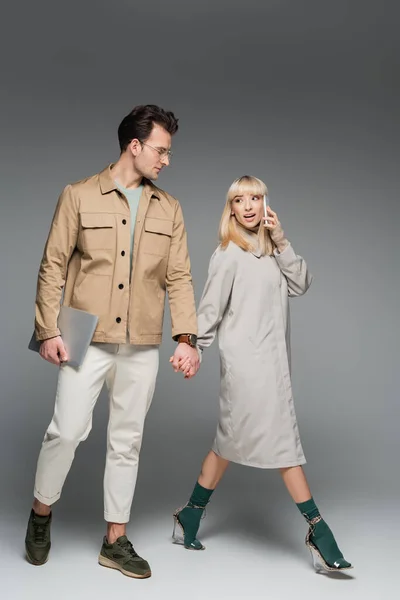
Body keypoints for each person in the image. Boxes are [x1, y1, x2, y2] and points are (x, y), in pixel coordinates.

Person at [25, 104, 200, 579]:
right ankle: (41, 516)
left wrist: (187, 337)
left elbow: (180, 277)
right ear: (135, 145)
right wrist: (48, 330)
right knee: (66, 431)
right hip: (84, 334)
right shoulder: (79, 195)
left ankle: (115, 541)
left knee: (127, 441)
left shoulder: (170, 208)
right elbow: (53, 266)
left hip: (142, 340)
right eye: (161, 150)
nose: (166, 160)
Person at [170, 175, 352, 573]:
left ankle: (190, 514)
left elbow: (302, 283)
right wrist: (193, 348)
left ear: (266, 203)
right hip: (245, 369)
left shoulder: (272, 252)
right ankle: (319, 532)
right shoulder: (228, 254)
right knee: (284, 446)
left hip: (274, 367)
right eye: (240, 199)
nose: (249, 206)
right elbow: (210, 309)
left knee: (225, 447)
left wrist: (282, 240)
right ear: (230, 208)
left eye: (256, 197)